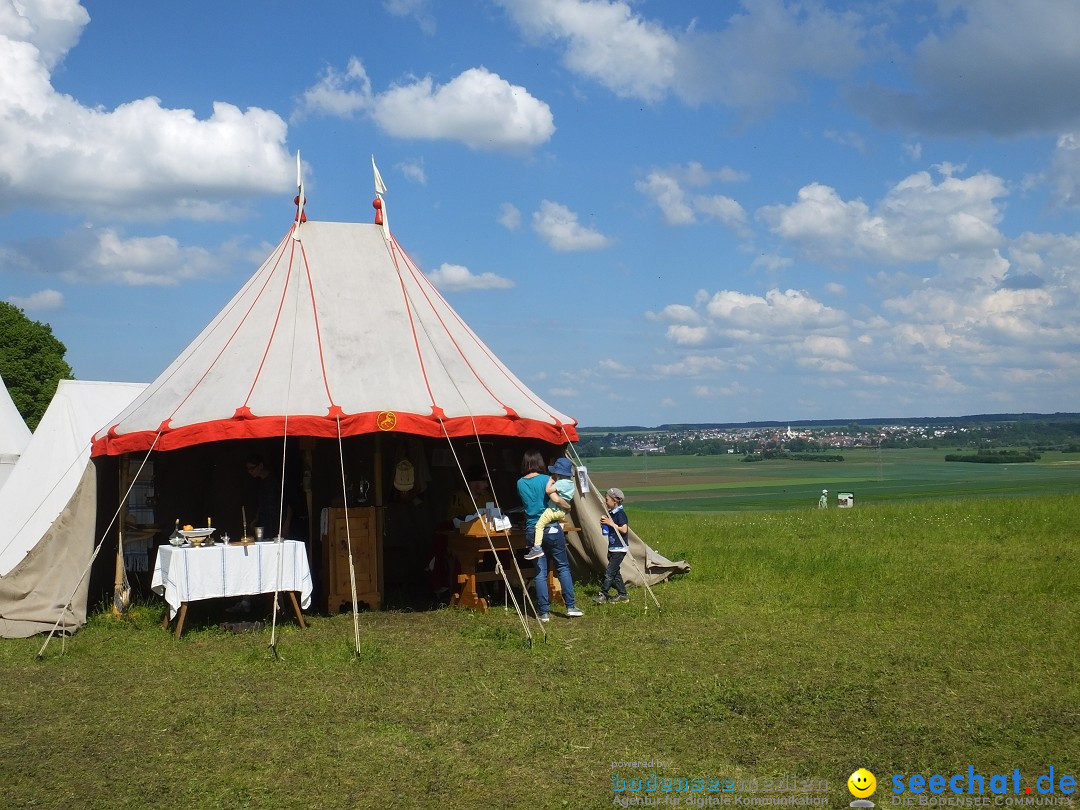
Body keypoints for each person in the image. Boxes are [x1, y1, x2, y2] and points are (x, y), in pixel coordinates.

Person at [516, 449, 583, 621]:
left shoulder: (520, 483)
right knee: (562, 567)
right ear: (541, 463)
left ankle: (544, 611)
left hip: (532, 528)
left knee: (539, 571)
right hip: (552, 527)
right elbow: (558, 499)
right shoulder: (548, 479)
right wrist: (567, 507)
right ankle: (570, 606)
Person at [523, 457, 574, 561]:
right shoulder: (571, 484)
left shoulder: (560, 483)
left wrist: (550, 481)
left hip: (553, 510)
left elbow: (548, 491)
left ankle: (537, 548)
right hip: (562, 512)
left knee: (539, 525)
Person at [594, 487, 630, 603]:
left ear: (615, 501)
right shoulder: (610, 513)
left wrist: (611, 523)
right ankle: (623, 594)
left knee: (609, 572)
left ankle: (603, 594)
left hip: (620, 548)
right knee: (615, 572)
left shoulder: (620, 514)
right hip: (613, 547)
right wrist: (605, 525)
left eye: (607, 499)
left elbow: (624, 530)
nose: (606, 501)